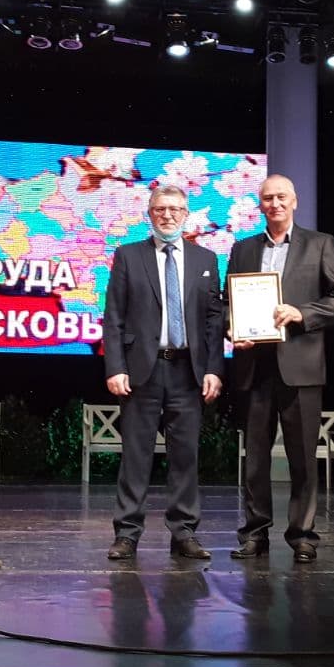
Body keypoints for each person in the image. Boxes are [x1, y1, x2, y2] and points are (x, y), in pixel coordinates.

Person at [227, 174, 334, 563]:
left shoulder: (319, 244)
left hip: (301, 366)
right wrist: (233, 328)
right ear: (260, 205)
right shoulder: (243, 248)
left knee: (302, 458)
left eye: (281, 197)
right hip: (255, 367)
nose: (275, 204)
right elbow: (228, 300)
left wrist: (302, 313)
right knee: (255, 459)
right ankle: (255, 534)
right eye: (268, 198)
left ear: (294, 201)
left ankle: (303, 536)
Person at [102, 184, 225, 561]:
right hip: (142, 370)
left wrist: (214, 369)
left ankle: (184, 533)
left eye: (174, 209)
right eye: (160, 209)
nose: (167, 215)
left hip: (189, 372)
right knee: (136, 456)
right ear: (150, 214)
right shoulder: (128, 256)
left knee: (185, 457)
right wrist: (115, 367)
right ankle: (127, 534)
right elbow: (114, 316)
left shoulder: (206, 259)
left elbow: (213, 320)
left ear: (186, 214)